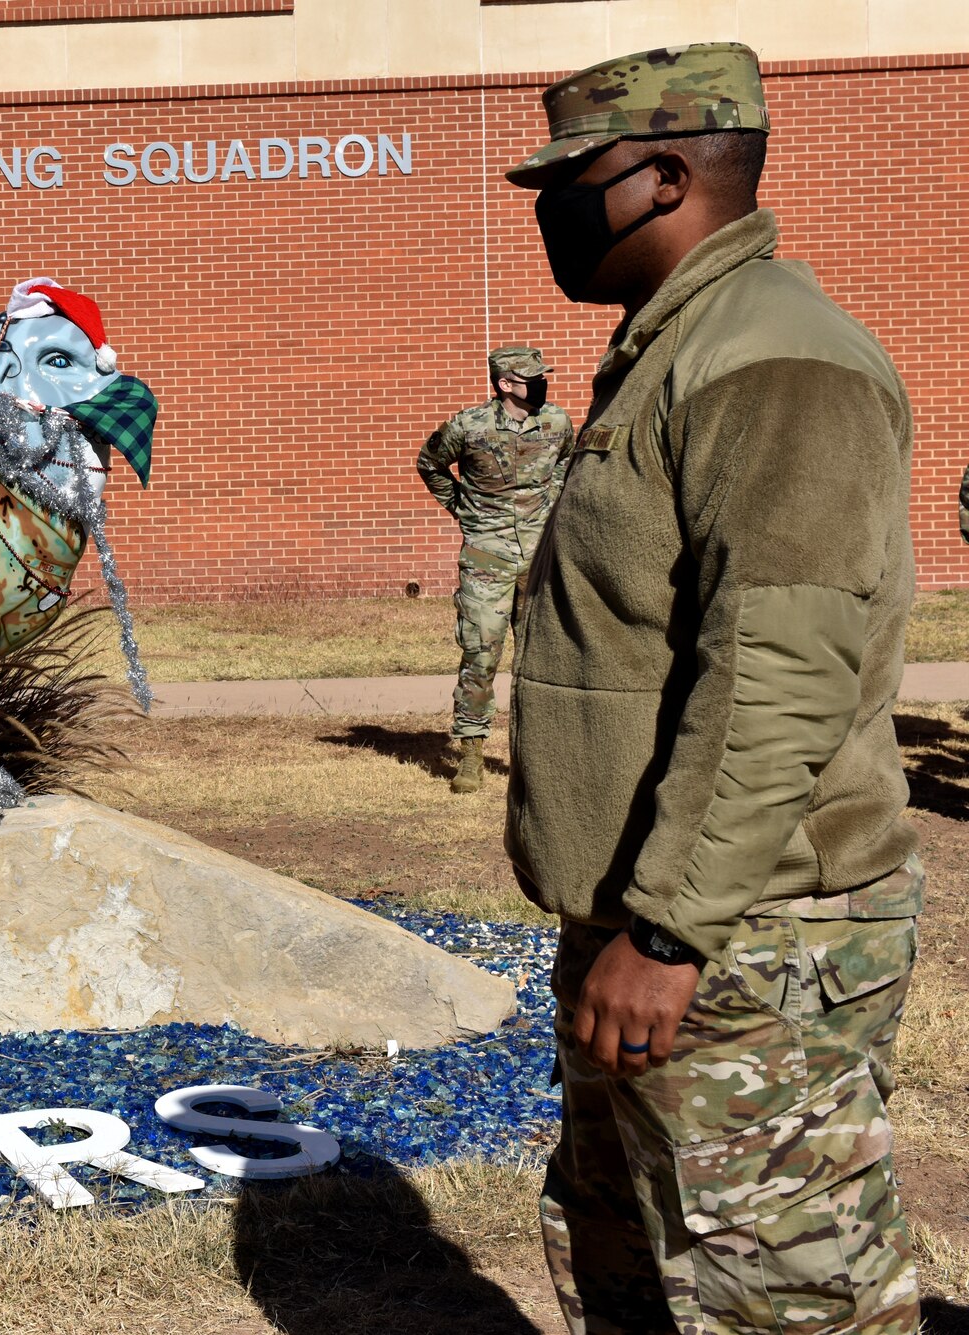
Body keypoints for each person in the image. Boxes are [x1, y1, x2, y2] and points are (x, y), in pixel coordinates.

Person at [505, 43, 923, 1334]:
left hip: (742, 930)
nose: (549, 211)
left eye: (573, 179)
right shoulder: (680, 347)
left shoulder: (772, 359)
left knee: (786, 1295)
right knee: (628, 1255)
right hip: (655, 914)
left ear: (664, 175)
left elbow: (779, 678)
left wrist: (671, 929)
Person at [416, 349, 574, 793]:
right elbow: (430, 464)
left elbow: (567, 462)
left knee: (543, 659)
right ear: (505, 383)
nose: (542, 384)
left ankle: (540, 757)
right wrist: (462, 510)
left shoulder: (557, 422)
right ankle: (470, 755)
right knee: (481, 653)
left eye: (543, 377)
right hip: (488, 555)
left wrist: (552, 503)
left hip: (541, 554)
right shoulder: (468, 426)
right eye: (532, 378)